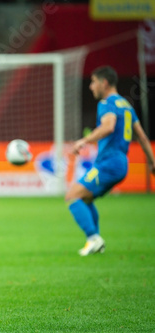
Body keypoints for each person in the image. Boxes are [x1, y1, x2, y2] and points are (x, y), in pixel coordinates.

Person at [66, 66, 155, 256]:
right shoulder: (126, 106)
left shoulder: (107, 103)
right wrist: (152, 162)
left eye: (93, 82)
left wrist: (84, 141)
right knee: (85, 197)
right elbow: (142, 137)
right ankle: (95, 243)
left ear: (104, 83)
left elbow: (108, 126)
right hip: (121, 162)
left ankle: (93, 238)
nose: (91, 87)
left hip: (109, 162)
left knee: (72, 195)